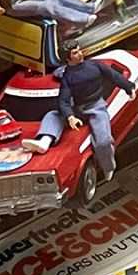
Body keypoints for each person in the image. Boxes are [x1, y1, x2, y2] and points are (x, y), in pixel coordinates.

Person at [30, 41, 121, 179]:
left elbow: (114, 76)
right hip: (77, 109)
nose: (80, 54)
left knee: (103, 141)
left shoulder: (94, 66)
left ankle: (108, 167)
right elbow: (63, 101)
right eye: (75, 53)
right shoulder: (67, 77)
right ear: (68, 58)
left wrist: (128, 87)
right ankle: (45, 141)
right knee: (52, 115)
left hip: (96, 108)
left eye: (79, 50)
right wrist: (70, 116)